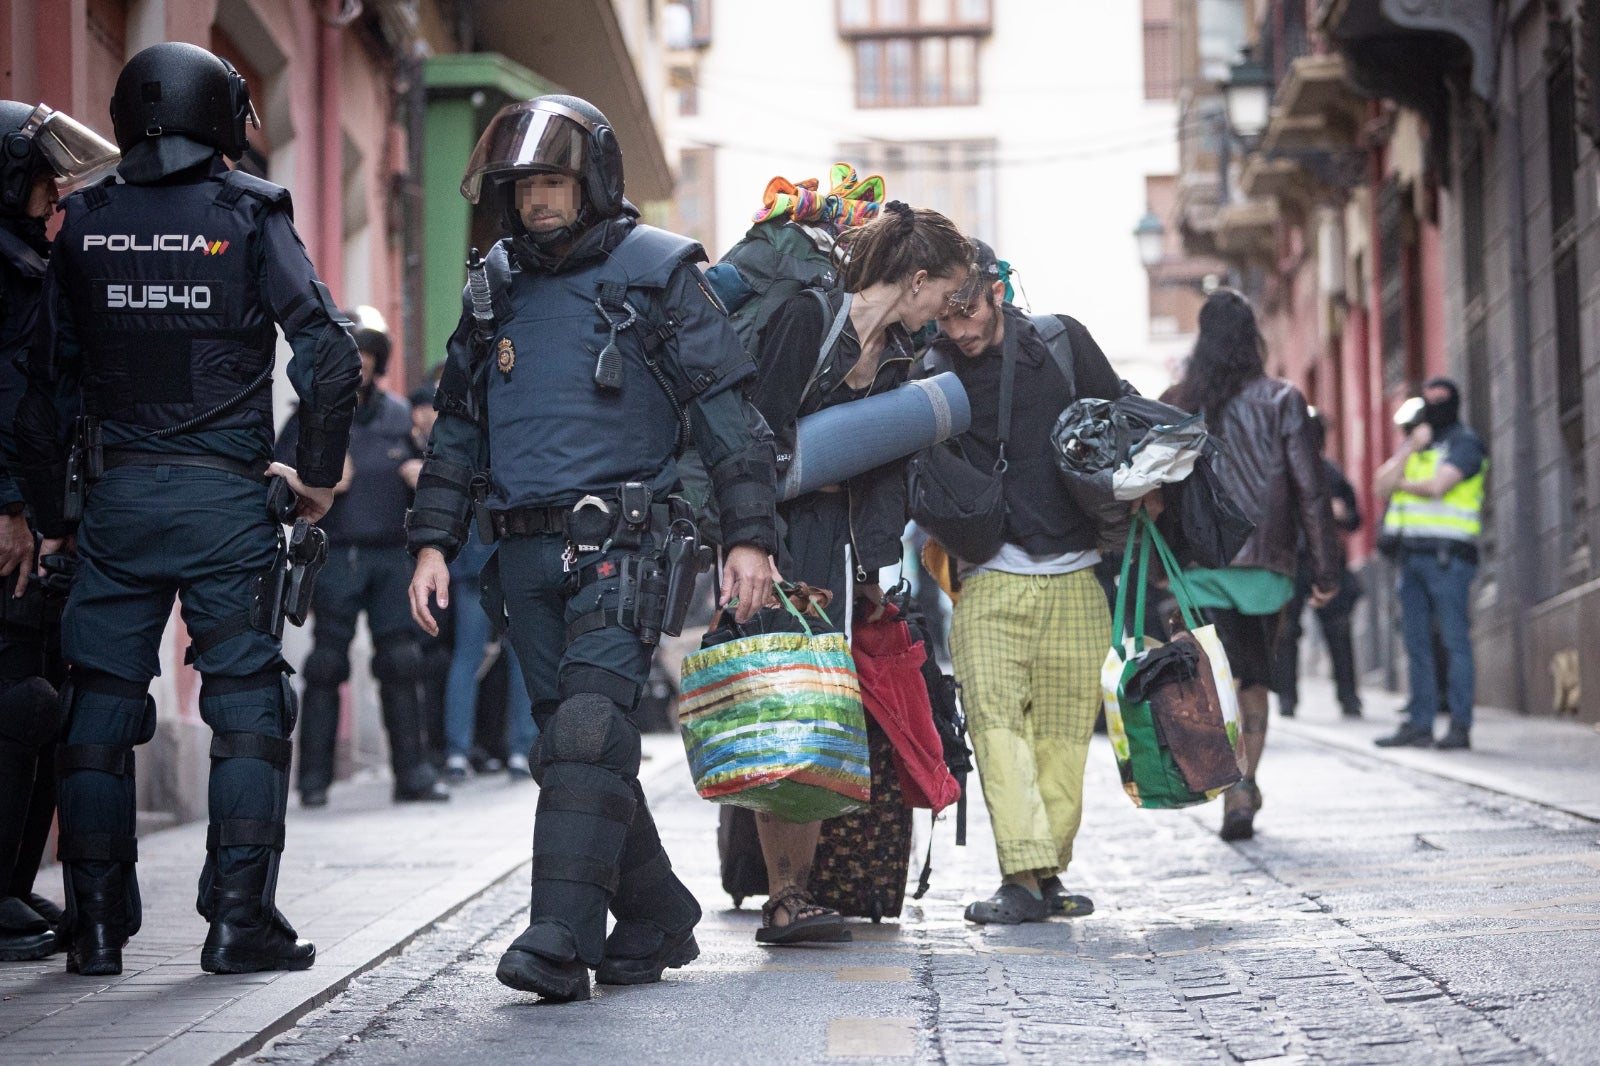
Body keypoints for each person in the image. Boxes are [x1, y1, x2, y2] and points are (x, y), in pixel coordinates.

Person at [406, 94, 780, 1002]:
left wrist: (750, 541)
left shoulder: (660, 271)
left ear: (593, 182)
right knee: (578, 747)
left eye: (554, 181)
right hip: (518, 553)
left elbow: (730, 418)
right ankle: (657, 913)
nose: (538, 198)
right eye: (525, 183)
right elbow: (459, 421)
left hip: (625, 543)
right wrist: (430, 545)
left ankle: (559, 939)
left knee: (584, 729)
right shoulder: (494, 281)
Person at [13, 42, 361, 976]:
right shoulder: (249, 212)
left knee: (98, 705)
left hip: (115, 501)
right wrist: (318, 472)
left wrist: (58, 515)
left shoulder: (81, 220)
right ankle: (238, 924)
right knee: (248, 702)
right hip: (224, 499)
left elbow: (41, 388)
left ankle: (92, 931)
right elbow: (329, 357)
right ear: (221, 113)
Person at [748, 201, 970, 944]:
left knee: (820, 718)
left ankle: (796, 891)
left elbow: (885, 479)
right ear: (916, 279)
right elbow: (752, 438)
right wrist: (744, 543)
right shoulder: (807, 321)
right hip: (776, 542)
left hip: (839, 556)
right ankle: (781, 892)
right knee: (781, 710)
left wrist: (872, 572)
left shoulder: (903, 359)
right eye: (948, 291)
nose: (951, 307)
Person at [927, 241, 1132, 924]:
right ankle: (1020, 875)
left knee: (1065, 738)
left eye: (967, 311)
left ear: (997, 291)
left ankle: (1046, 875)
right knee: (994, 727)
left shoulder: (1061, 343)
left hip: (1078, 574)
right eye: (946, 317)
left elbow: (1121, 415)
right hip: (986, 578)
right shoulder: (926, 368)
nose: (960, 330)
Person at [0, 98, 118, 961]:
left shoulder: (29, 260)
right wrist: (9, 506)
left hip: (43, 513)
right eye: (43, 176)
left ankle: (12, 888)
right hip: (11, 515)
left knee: (40, 700)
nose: (56, 193)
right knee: (19, 704)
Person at [1167, 290, 1339, 842]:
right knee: (1254, 678)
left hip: (1198, 563)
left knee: (1215, 680)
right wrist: (1325, 568)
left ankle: (1229, 779)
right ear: (1253, 339)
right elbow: (1310, 491)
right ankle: (1244, 786)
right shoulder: (1283, 399)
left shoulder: (1177, 400)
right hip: (1266, 567)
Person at [275, 308, 448, 806]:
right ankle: (312, 782)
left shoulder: (400, 416)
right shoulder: (312, 412)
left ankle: (413, 776)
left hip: (393, 554)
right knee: (327, 664)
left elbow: (442, 474)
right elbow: (276, 474)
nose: (358, 366)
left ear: (377, 361)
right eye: (349, 356)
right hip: (334, 552)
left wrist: (422, 476)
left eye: (365, 356)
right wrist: (315, 474)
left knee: (401, 661)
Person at [1373, 377, 1486, 750]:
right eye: (1430, 400)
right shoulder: (1418, 447)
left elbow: (1440, 486)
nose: (1436, 406)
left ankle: (1459, 725)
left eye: (1443, 400)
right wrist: (1408, 447)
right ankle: (1419, 724)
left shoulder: (1465, 443)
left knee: (1454, 641)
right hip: (1412, 559)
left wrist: (1400, 484)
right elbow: (1379, 486)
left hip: (1449, 559)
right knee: (1416, 644)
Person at [1272, 410, 1363, 719]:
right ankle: (1286, 697)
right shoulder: (1279, 474)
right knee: (1286, 633)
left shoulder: (1331, 474)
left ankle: (1349, 697)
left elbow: (1354, 519)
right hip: (1290, 563)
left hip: (1325, 562)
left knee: (1337, 630)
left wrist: (1342, 513)